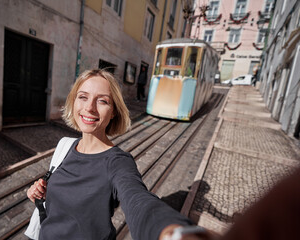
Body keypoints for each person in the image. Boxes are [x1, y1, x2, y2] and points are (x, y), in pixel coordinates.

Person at [27, 69, 212, 240]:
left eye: (102, 101)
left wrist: (173, 232)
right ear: (74, 101)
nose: (89, 107)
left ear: (114, 111)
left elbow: (138, 199)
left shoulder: (118, 163)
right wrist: (40, 192)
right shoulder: (65, 145)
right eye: (82, 97)